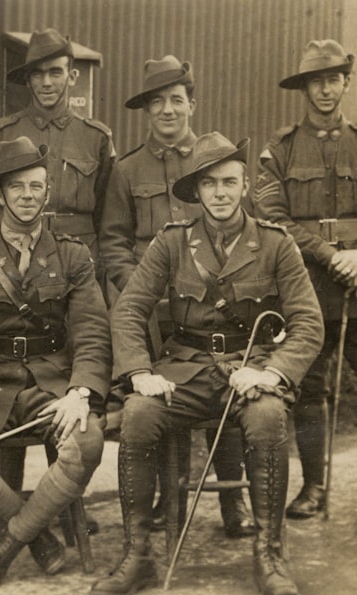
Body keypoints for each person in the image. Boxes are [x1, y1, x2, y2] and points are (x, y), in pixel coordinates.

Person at [91, 133, 323, 595]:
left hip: (251, 366)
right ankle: (137, 555)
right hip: (186, 370)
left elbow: (308, 323)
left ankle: (269, 554)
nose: (220, 192)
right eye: (210, 183)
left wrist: (272, 374)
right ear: (196, 191)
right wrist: (139, 372)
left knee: (266, 418)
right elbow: (129, 310)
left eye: (230, 182)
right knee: (137, 416)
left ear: (244, 187)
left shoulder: (276, 244)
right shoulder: (171, 243)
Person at [0, 136, 110, 586]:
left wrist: (80, 391)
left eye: (36, 186)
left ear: (47, 192)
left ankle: (6, 543)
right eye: (17, 187)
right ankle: (39, 537)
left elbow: (91, 331)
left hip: (51, 384)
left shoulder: (72, 256)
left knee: (87, 442)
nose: (28, 196)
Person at [254, 40, 357, 536]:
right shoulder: (279, 150)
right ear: (303, 88)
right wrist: (328, 255)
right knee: (309, 389)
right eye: (315, 81)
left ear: (347, 82)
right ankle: (313, 487)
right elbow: (271, 217)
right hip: (306, 290)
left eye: (334, 78)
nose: (325, 89)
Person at [97, 54, 254, 539]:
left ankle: (234, 500)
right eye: (158, 102)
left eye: (177, 100)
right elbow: (113, 240)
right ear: (147, 110)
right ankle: (171, 497)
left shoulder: (215, 158)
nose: (168, 110)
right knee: (165, 396)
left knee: (224, 389)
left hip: (211, 302)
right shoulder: (126, 170)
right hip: (151, 309)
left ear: (192, 104)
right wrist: (138, 287)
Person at [0, 28, 114, 259]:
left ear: (72, 76)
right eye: (37, 74)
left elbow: (109, 218)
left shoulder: (96, 137)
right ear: (28, 80)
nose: (46, 82)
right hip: (15, 259)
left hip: (79, 262)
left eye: (55, 72)